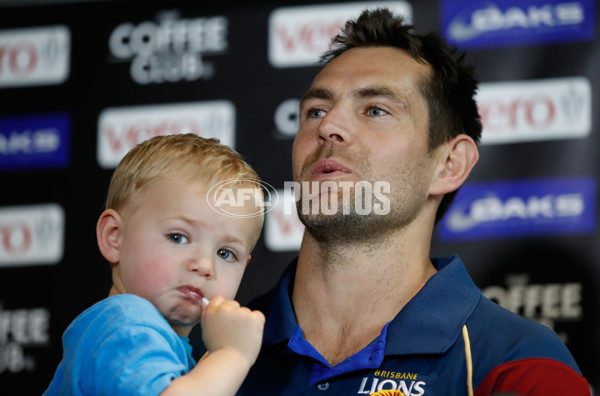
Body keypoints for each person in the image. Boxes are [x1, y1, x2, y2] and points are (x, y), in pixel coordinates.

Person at [194, 8, 590, 396]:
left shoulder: (515, 365)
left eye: (375, 110)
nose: (329, 126)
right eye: (315, 111)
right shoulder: (198, 351)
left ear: (449, 164)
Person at [44, 134, 266, 396]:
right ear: (114, 236)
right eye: (178, 237)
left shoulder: (167, 348)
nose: (205, 265)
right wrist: (233, 354)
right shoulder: (126, 325)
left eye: (226, 253)